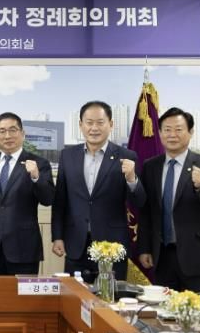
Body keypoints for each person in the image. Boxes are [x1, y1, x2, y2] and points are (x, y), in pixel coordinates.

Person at [51, 101, 145, 280]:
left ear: (111, 124)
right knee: (75, 295)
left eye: (100, 122)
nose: (94, 128)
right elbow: (60, 201)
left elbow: (139, 202)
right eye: (89, 122)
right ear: (81, 125)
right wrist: (57, 236)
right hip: (76, 244)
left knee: (110, 295)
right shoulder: (67, 155)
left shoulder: (127, 156)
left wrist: (132, 178)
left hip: (112, 247)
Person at [138, 107, 200, 292]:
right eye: (167, 130)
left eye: (178, 129)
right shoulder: (150, 166)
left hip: (197, 257)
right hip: (162, 256)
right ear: (160, 133)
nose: (172, 135)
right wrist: (145, 248)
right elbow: (146, 211)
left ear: (190, 132)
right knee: (164, 309)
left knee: (197, 309)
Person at [0, 112, 55, 275]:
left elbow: (48, 199)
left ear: (22, 133)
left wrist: (36, 176)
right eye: (2, 131)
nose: (7, 136)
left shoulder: (39, 163)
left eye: (13, 130)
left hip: (24, 248)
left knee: (24, 293)